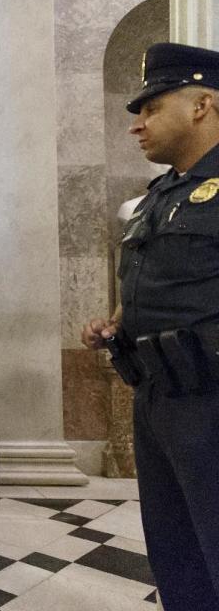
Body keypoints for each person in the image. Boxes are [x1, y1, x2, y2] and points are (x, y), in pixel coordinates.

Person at [81, 42, 219, 611]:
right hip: (158, 397)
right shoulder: (159, 196)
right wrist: (116, 324)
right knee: (176, 553)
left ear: (202, 104)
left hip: (211, 400)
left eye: (151, 107)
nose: (137, 125)